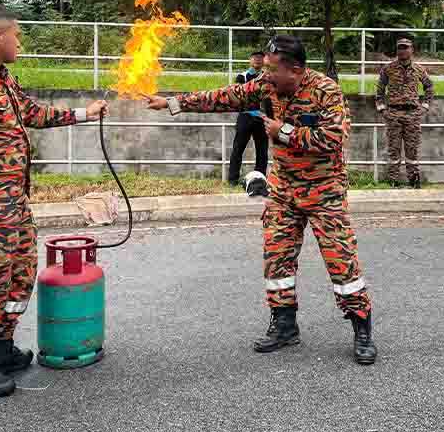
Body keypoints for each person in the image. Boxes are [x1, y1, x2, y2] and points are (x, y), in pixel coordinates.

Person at [146, 34, 377, 364]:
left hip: (324, 191)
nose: (265, 75)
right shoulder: (266, 86)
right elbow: (225, 97)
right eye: (265, 69)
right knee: (277, 258)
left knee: (342, 262)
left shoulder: (326, 90)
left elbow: (334, 138)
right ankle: (284, 326)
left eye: (272, 69)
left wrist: (283, 132)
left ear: (295, 70)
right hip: (283, 191)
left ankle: (362, 329)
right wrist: (173, 103)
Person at [0, 5, 109, 398]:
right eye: (16, 34)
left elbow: (34, 113)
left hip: (14, 204)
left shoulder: (2, 80)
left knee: (20, 276)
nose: (20, 42)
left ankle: (0, 346)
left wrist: (85, 113)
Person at [375, 38, 434, 188]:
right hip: (393, 113)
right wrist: (382, 108)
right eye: (400, 48)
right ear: (397, 50)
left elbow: (429, 87)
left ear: (411, 50)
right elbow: (380, 90)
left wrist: (425, 106)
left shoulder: (419, 69)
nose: (403, 50)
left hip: (412, 114)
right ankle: (393, 180)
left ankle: (413, 179)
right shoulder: (388, 69)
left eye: (406, 47)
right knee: (393, 149)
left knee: (412, 149)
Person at [228, 51, 269, 186]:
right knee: (238, 148)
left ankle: (260, 179)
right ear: (250, 60)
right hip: (245, 116)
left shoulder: (268, 77)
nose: (257, 60)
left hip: (262, 118)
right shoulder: (242, 76)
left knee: (262, 151)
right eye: (255, 58)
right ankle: (233, 180)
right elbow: (238, 95)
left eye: (260, 58)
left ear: (264, 60)